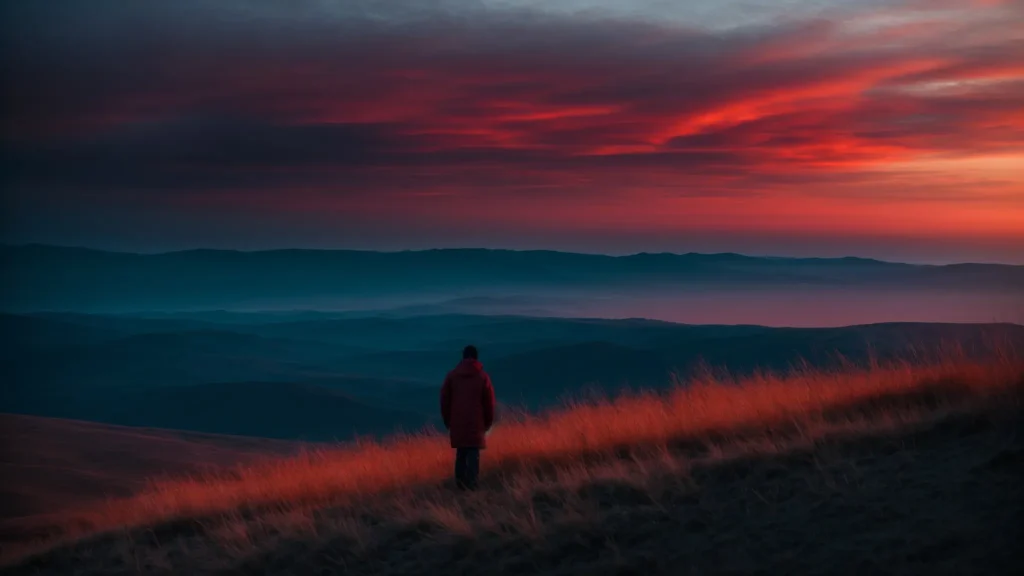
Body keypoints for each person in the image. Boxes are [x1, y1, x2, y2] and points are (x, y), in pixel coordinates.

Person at [440, 344, 496, 490]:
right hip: (476, 424)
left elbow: (444, 401)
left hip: (457, 423)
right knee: (473, 455)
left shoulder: (451, 377)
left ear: (463, 357)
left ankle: (460, 487)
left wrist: (448, 421)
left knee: (461, 454)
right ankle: (472, 488)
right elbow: (489, 403)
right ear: (476, 358)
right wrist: (488, 423)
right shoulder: (483, 377)